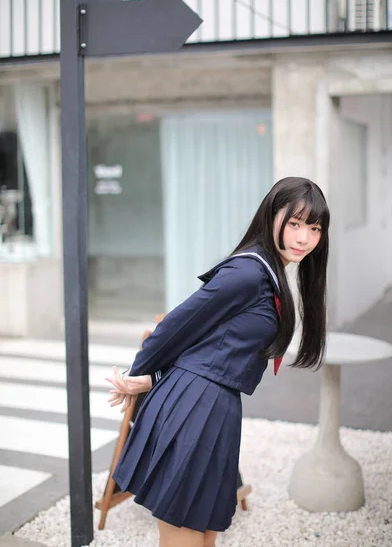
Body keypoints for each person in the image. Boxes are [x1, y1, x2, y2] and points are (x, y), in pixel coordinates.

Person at [106, 176, 330, 547]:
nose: (304, 237)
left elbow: (211, 341)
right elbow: (179, 324)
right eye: (294, 223)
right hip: (195, 407)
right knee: (185, 534)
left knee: (205, 532)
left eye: (314, 227)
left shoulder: (269, 272)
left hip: (216, 405)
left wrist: (154, 378)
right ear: (271, 216)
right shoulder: (247, 273)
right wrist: (142, 371)